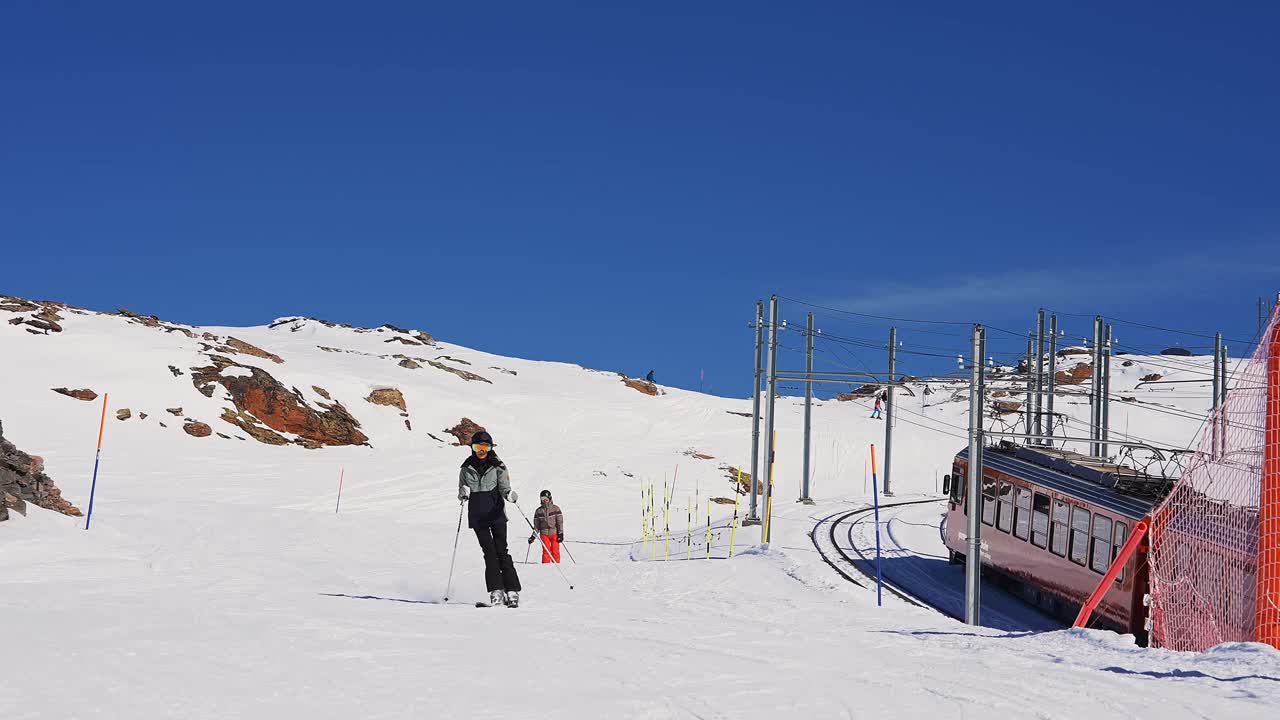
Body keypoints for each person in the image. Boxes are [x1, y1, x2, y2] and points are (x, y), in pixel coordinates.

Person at [458, 430, 521, 607]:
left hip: (496, 513)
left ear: (490, 448)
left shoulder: (498, 465)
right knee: (489, 553)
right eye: (478, 447)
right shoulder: (466, 467)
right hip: (478, 515)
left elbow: (504, 487)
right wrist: (463, 493)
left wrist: (509, 495)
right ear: (472, 448)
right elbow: (462, 488)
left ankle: (512, 591)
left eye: (485, 447)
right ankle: (496, 591)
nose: (481, 451)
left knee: (502, 551)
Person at [528, 490, 564, 563]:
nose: (544, 501)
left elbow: (560, 522)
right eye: (542, 499)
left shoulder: (555, 508)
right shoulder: (538, 511)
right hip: (544, 534)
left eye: (546, 499)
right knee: (546, 551)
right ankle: (545, 568)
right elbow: (536, 526)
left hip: (554, 533)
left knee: (555, 550)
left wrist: (560, 533)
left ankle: (556, 565)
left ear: (550, 498)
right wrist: (533, 536)